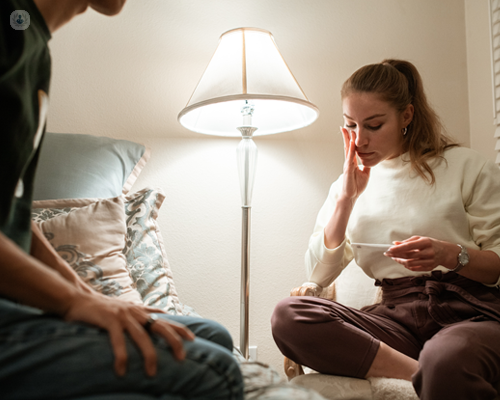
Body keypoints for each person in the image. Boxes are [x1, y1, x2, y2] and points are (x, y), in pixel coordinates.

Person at [0, 1, 244, 399]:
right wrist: (69, 304)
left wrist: (90, 298)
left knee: (211, 335)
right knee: (212, 369)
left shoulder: (33, 46)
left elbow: (13, 218)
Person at [271, 59, 500, 400]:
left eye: (374, 125)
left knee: (447, 357)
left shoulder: (467, 166)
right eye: (351, 125)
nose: (360, 139)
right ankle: (424, 372)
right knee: (288, 315)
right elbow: (316, 275)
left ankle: (441, 365)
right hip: (395, 318)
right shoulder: (349, 184)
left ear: (406, 116)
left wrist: (449, 254)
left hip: (468, 312)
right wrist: (347, 198)